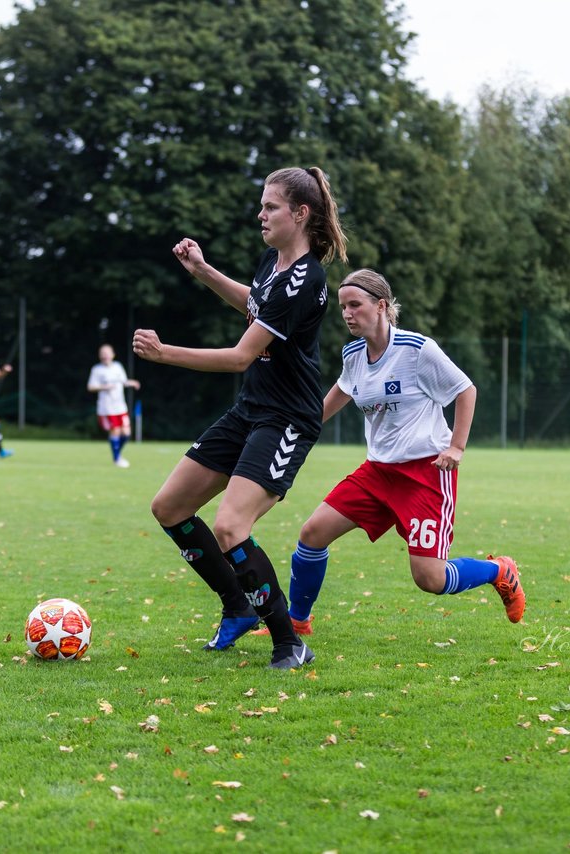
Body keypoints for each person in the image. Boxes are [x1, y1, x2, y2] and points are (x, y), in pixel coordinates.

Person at [132, 166, 347, 669]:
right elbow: (253, 307)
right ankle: (237, 605)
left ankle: (289, 643)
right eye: (262, 204)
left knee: (231, 525)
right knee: (170, 507)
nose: (261, 214)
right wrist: (203, 271)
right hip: (251, 410)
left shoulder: (306, 277)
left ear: (301, 213)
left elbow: (239, 356)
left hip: (287, 418)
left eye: (271, 206)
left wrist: (165, 355)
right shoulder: (272, 264)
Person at [258, 269, 524, 640]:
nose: (348, 314)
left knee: (429, 578)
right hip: (377, 472)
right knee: (313, 533)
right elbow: (337, 395)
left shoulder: (417, 350)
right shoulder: (353, 354)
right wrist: (296, 426)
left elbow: (466, 390)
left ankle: (500, 571)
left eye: (355, 305)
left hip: (425, 473)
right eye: (343, 307)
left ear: (381, 305)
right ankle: (297, 623)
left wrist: (457, 447)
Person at [87, 344, 141, 467]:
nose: (105, 355)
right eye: (103, 353)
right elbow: (90, 387)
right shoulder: (97, 370)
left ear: (113, 354)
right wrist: (103, 387)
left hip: (120, 407)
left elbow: (123, 381)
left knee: (126, 434)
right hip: (107, 408)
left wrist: (131, 383)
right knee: (115, 431)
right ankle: (116, 459)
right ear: (100, 356)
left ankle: (117, 455)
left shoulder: (118, 366)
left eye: (107, 352)